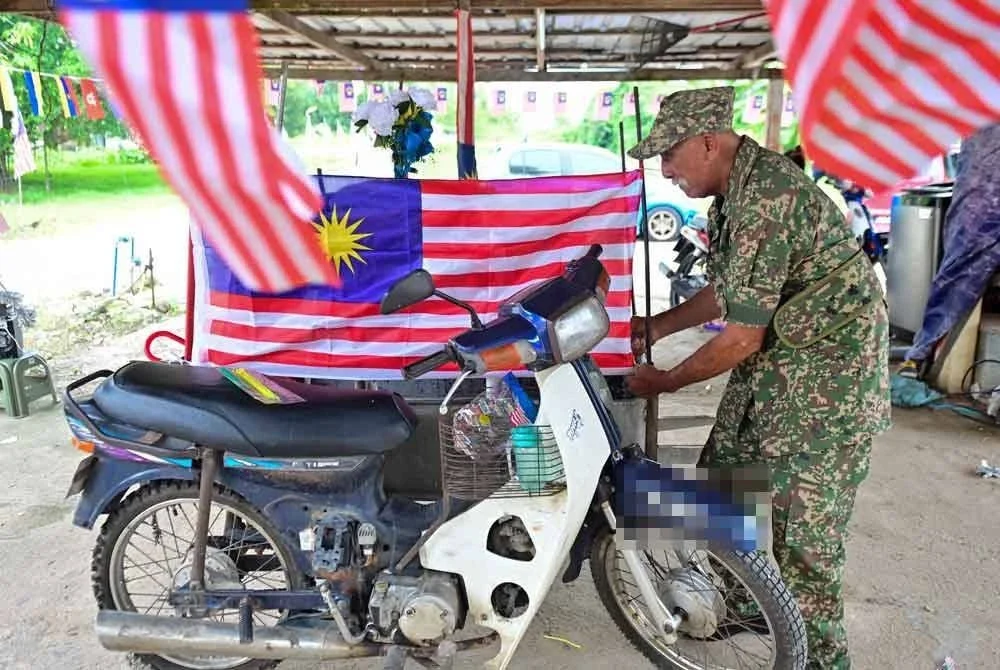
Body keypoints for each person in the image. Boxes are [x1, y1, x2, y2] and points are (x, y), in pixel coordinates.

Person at [625, 86, 891, 670]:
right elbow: (731, 292)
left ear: (708, 142)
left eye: (669, 155)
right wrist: (658, 325)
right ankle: (751, 614)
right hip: (778, 368)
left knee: (805, 547)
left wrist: (664, 382)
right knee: (721, 481)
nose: (664, 170)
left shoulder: (767, 197)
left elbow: (741, 336)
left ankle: (819, 660)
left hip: (829, 389)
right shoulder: (734, 192)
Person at [899, 123, 1000, 379]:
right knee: (957, 274)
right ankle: (921, 353)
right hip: (980, 206)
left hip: (978, 205)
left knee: (956, 272)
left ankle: (920, 354)